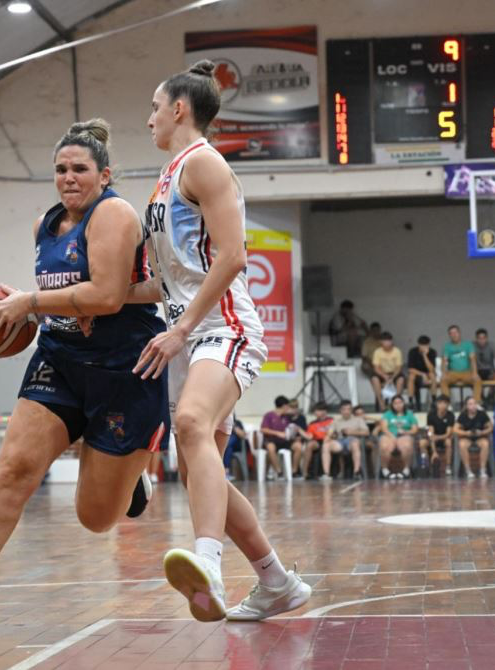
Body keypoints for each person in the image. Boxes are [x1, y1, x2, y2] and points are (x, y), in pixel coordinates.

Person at [0, 119, 172, 635]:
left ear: (104, 175)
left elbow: (105, 297)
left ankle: (131, 482)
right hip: (60, 360)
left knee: (96, 518)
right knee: (12, 471)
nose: (69, 177)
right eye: (60, 168)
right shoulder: (44, 225)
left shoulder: (115, 214)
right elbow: (62, 299)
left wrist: (27, 302)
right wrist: (8, 325)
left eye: (80, 168)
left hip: (126, 370)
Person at [136, 62, 312, 623]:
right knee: (195, 466)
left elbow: (234, 256)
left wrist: (183, 328)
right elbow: (165, 282)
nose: (150, 120)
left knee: (190, 424)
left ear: (179, 109)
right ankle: (276, 581)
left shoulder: (206, 163)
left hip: (224, 326)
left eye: (155, 108)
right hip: (184, 333)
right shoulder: (167, 177)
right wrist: (75, 302)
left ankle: (208, 563)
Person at [259, 395, 305, 480]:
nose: (289, 408)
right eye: (288, 406)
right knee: (270, 447)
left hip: (285, 441)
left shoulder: (286, 417)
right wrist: (278, 433)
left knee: (298, 445)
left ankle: (294, 471)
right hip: (272, 440)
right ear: (284, 406)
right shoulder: (269, 415)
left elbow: (291, 428)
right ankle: (279, 472)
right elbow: (263, 429)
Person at [323, 400, 367, 480]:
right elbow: (330, 432)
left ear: (351, 410)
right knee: (326, 445)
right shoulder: (336, 421)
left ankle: (356, 472)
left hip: (353, 441)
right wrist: (327, 438)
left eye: (348, 409)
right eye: (344, 409)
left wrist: (352, 432)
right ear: (340, 410)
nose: (346, 411)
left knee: (354, 443)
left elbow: (366, 432)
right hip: (340, 442)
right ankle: (326, 473)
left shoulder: (358, 420)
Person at [378, 395, 417, 480]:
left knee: (406, 446)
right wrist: (392, 436)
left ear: (403, 403)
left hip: (404, 435)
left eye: (400, 402)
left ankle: (406, 470)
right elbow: (383, 428)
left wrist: (406, 432)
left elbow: (414, 430)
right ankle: (384, 470)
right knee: (385, 447)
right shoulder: (387, 414)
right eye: (395, 403)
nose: (398, 405)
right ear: (392, 404)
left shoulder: (409, 414)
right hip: (389, 434)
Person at [454, 397, 493, 478]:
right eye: (470, 404)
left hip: (479, 437)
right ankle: (468, 470)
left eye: (475, 403)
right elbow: (455, 429)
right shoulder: (463, 415)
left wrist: (482, 432)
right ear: (467, 406)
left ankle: (482, 470)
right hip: (467, 437)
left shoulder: (482, 414)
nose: (473, 406)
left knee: (485, 444)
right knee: (462, 444)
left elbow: (490, 427)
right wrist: (466, 433)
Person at [440, 325, 481, 401]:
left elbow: (473, 360)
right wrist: (443, 373)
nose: (454, 334)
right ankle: (446, 405)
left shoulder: (468, 344)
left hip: (467, 372)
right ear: (449, 335)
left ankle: (476, 404)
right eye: (451, 333)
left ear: (459, 333)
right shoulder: (447, 346)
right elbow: (444, 361)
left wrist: (475, 373)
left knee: (477, 380)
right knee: (443, 380)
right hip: (452, 373)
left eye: (455, 332)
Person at [370, 332, 404, 412]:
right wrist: (384, 376)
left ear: (392, 341)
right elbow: (376, 367)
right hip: (382, 373)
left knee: (401, 380)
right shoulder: (377, 352)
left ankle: (396, 403)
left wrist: (392, 378)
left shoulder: (397, 351)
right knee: (374, 379)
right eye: (384, 341)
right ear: (381, 342)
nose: (387, 343)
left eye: (388, 341)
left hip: (394, 373)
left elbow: (398, 367)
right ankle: (381, 404)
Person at [473, 328, 495, 402]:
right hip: (477, 371)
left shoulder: (492, 345)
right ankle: (480, 398)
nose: (482, 340)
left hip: (489, 371)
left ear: (487, 338)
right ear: (476, 339)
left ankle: (490, 397)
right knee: (472, 379)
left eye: (483, 338)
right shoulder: (472, 346)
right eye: (479, 338)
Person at [426, 395, 456, 477]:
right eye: (440, 403)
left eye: (445, 403)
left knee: (448, 442)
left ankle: (448, 466)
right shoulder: (431, 415)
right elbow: (430, 433)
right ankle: (427, 467)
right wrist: (434, 452)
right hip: (434, 437)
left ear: (448, 405)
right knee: (422, 443)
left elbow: (448, 433)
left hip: (444, 437)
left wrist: (437, 437)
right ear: (436, 404)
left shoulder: (450, 415)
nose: (442, 405)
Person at [406, 335, 439, 409]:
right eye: (422, 345)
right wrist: (422, 374)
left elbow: (431, 369)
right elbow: (410, 369)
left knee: (432, 375)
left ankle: (434, 400)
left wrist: (425, 355)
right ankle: (410, 401)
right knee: (411, 376)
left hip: (428, 375)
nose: (423, 347)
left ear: (428, 345)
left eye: (425, 345)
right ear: (418, 344)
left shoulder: (432, 352)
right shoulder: (412, 351)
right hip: (416, 374)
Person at [305, 403, 334, 480]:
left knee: (327, 444)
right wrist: (299, 430)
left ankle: (328, 472)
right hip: (317, 441)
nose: (315, 413)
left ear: (324, 411)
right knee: (309, 445)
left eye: (317, 411)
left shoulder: (331, 420)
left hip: (330, 440)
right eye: (315, 411)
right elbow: (309, 437)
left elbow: (335, 433)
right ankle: (305, 471)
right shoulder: (312, 423)